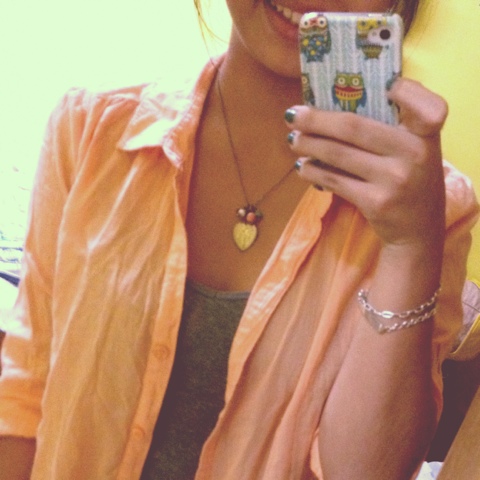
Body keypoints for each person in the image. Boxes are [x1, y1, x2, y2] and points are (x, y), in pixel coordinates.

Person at [0, 0, 478, 478]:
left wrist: (409, 250)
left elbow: (362, 472)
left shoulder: (430, 209)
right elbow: (25, 395)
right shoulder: (91, 128)